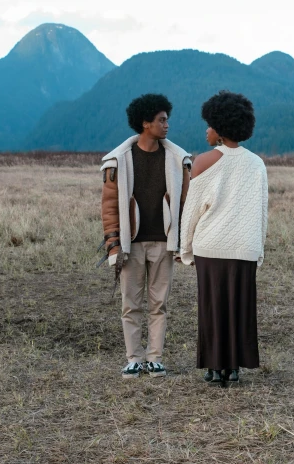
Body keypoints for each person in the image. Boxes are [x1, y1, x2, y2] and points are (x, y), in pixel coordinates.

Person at [100, 93, 192, 379]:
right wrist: (114, 246)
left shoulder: (177, 159)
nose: (166, 125)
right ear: (145, 123)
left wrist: (182, 242)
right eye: (161, 120)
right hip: (131, 244)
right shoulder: (119, 161)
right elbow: (110, 207)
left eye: (167, 120)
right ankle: (133, 359)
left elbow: (185, 204)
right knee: (131, 303)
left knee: (159, 303)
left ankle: (154, 358)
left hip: (164, 242)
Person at [179, 91, 268, 385]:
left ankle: (214, 368)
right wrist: (258, 249)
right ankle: (234, 368)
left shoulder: (203, 162)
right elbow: (261, 213)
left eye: (209, 124)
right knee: (239, 307)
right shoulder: (257, 164)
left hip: (211, 246)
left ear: (219, 127)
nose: (206, 130)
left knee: (212, 307)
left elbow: (191, 213)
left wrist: (185, 249)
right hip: (244, 246)